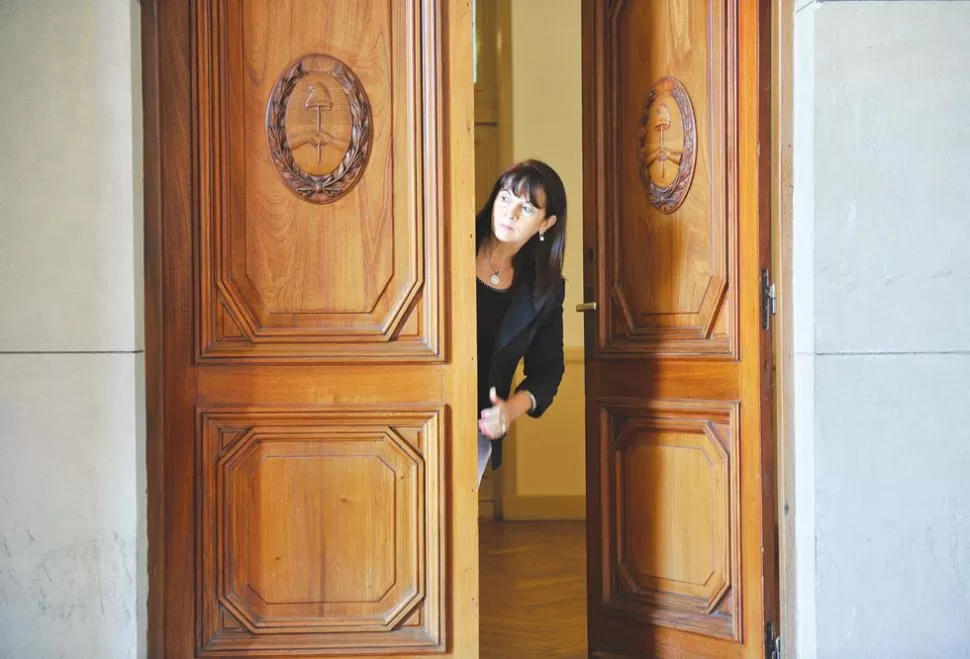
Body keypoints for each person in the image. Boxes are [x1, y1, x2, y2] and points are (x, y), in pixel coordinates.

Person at [475, 159, 567, 487]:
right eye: (505, 198)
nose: (509, 213)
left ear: (546, 224)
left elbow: (547, 371)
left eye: (526, 208)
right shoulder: (450, 246)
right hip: (421, 411)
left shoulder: (545, 290)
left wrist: (510, 410)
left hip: (480, 424)